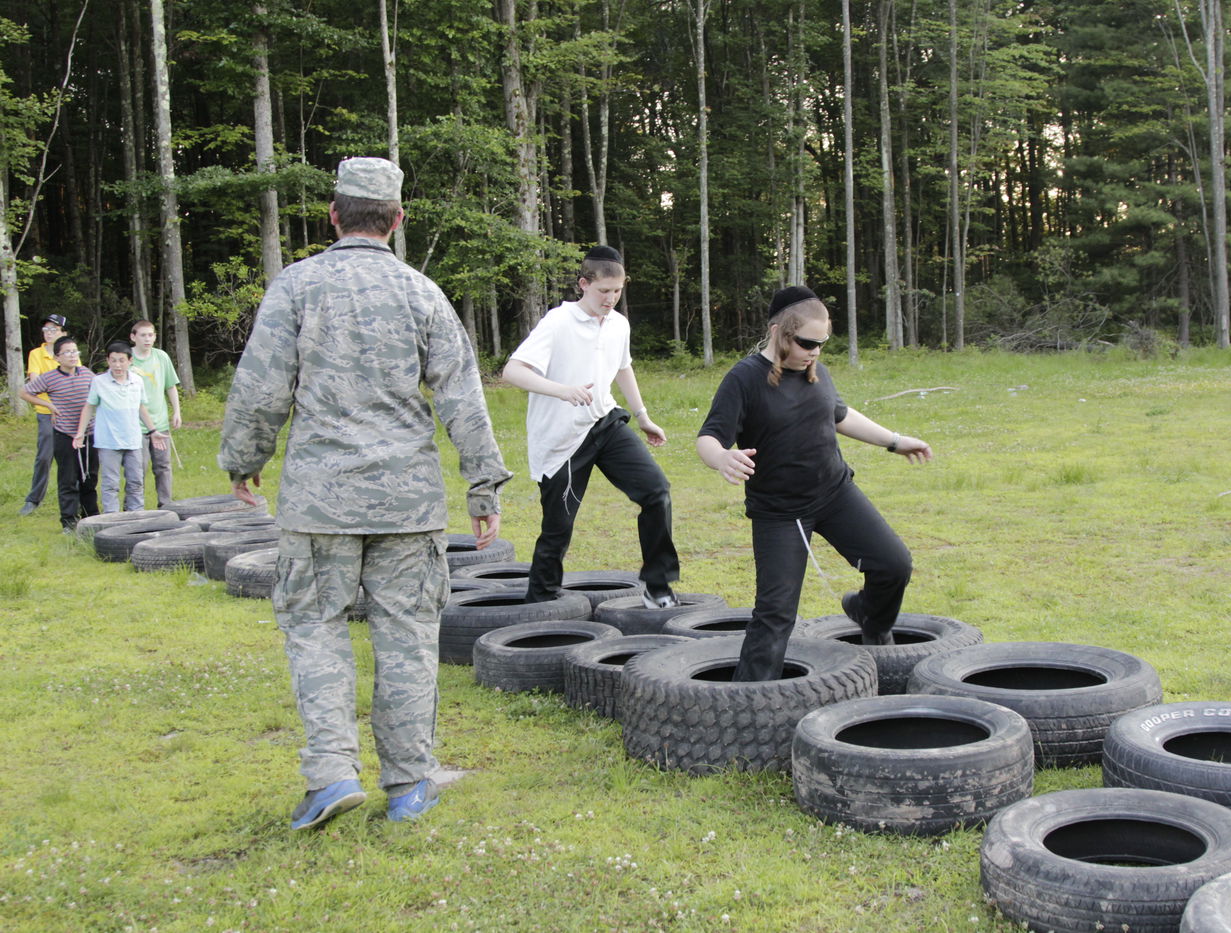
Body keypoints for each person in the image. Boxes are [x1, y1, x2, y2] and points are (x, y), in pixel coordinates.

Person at [218, 156, 512, 829]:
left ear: (333, 214)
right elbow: (462, 394)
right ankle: (408, 785)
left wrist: (243, 458)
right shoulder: (422, 293)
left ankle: (330, 775)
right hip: (408, 504)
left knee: (314, 628)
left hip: (320, 499)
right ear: (398, 220)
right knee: (408, 637)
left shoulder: (296, 288)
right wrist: (483, 485)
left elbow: (260, 387)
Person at [696, 286, 933, 681]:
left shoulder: (814, 370)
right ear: (778, 333)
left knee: (893, 564)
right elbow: (708, 436)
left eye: (822, 343)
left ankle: (870, 617)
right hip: (780, 512)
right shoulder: (744, 379)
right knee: (775, 614)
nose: (816, 351)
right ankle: (748, 701)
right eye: (808, 342)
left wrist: (894, 441)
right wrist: (721, 457)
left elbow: (838, 414)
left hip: (835, 493)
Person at [501, 245, 680, 608]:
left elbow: (622, 367)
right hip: (562, 439)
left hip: (606, 423)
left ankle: (657, 585)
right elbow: (512, 371)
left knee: (656, 491)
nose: (611, 299)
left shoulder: (618, 324)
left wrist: (642, 415)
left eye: (617, 291)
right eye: (603, 291)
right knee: (558, 526)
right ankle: (541, 601)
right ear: (583, 284)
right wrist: (562, 390)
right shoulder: (558, 322)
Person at [73, 340, 166, 513]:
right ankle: (112, 522)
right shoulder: (99, 382)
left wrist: (153, 431)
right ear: (108, 361)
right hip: (108, 442)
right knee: (110, 484)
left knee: (136, 482)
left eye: (122, 360)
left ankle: (136, 519)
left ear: (130, 361)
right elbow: (89, 407)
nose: (118, 365)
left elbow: (141, 407)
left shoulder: (137, 381)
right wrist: (80, 433)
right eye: (113, 360)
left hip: (133, 441)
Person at [19, 336, 97, 531]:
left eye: (75, 351)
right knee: (68, 479)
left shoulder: (88, 374)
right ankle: (69, 522)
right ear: (57, 357)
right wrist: (48, 405)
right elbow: (24, 393)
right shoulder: (50, 377)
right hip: (64, 434)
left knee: (89, 478)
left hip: (89, 433)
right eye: (67, 352)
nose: (72, 356)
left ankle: (91, 518)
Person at [129, 319, 182, 508]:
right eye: (143, 335)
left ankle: (166, 506)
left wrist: (176, 411)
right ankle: (134, 508)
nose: (147, 339)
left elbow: (171, 386)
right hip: (136, 424)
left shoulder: (161, 357)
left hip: (160, 422)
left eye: (151, 335)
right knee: (138, 468)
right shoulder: (128, 359)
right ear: (133, 337)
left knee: (163, 467)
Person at [19, 314, 68, 516]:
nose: (49, 333)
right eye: (46, 329)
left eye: (54, 330)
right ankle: (33, 499)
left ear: (63, 333)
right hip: (46, 412)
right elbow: (35, 384)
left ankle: (74, 499)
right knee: (44, 457)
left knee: (71, 458)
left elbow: (75, 378)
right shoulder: (36, 354)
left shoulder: (69, 352)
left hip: (68, 413)